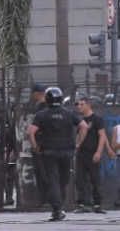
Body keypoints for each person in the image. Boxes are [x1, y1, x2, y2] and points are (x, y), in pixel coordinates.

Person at [28, 87, 89, 221]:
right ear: (61, 99)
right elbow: (84, 126)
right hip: (67, 151)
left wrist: (35, 146)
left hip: (48, 152)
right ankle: (58, 206)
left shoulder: (41, 115)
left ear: (48, 99)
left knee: (52, 179)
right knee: (63, 180)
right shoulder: (69, 113)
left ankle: (57, 209)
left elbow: (30, 132)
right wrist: (78, 143)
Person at [73, 96, 108, 214]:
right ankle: (82, 204)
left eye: (82, 104)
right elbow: (78, 136)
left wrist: (98, 152)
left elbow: (102, 136)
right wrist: (76, 147)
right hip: (81, 154)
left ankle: (97, 204)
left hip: (92, 153)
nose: (79, 107)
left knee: (95, 179)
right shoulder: (80, 120)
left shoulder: (97, 119)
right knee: (80, 180)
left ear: (88, 105)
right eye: (78, 105)